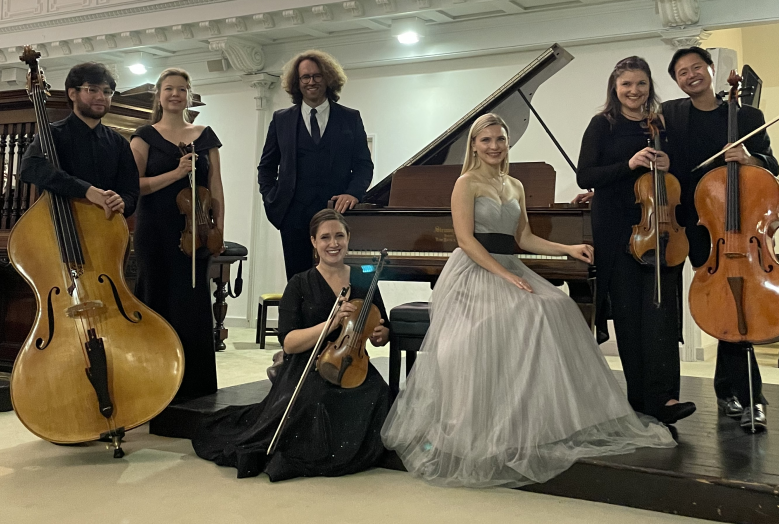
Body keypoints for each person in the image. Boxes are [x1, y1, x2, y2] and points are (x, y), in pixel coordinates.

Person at [380, 113, 676, 488]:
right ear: (474, 146)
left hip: (509, 265)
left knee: (558, 306)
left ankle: (544, 417)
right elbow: (466, 241)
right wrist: (505, 276)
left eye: (500, 139)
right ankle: (494, 421)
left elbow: (524, 238)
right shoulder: (465, 183)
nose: (494, 146)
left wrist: (567, 248)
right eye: (486, 140)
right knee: (522, 313)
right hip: (474, 271)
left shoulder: (515, 185)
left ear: (508, 143)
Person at [193, 209, 391, 481]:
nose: (333, 243)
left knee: (378, 393)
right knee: (316, 399)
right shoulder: (299, 283)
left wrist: (381, 334)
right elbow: (288, 343)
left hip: (353, 363)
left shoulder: (363, 279)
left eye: (339, 236)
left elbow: (380, 327)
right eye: (325, 237)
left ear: (348, 238)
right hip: (307, 364)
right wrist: (331, 323)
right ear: (313, 242)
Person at [662, 47, 779, 430]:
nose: (690, 75)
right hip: (703, 226)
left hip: (745, 230)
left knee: (735, 307)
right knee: (726, 305)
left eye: (696, 67)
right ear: (677, 80)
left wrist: (750, 159)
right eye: (682, 72)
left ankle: (748, 397)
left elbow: (772, 165)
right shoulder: (673, 116)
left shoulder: (747, 116)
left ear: (712, 69)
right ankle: (730, 391)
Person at [576, 56, 695, 425]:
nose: (634, 90)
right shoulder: (603, 125)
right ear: (615, 88)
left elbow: (682, 173)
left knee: (662, 317)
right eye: (626, 84)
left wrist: (668, 164)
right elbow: (585, 176)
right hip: (617, 233)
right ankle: (639, 400)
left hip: (661, 231)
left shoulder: (659, 124)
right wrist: (628, 165)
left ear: (649, 86)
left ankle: (666, 398)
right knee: (629, 318)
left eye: (641, 83)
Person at [129, 68, 224, 399]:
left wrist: (218, 227)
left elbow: (215, 186)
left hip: (197, 231)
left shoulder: (205, 136)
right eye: (169, 89)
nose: (175, 94)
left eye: (181, 89)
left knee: (193, 304)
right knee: (156, 300)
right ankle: (154, 385)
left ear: (188, 95)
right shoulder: (144, 136)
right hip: (155, 230)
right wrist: (176, 173)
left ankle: (196, 387)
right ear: (159, 95)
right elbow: (134, 185)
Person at [258, 49, 374, 279]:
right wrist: (272, 201)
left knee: (338, 280)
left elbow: (363, 165)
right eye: (305, 77)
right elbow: (266, 167)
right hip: (293, 216)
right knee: (299, 281)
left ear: (328, 78)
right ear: (297, 82)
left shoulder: (350, 118)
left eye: (317, 76)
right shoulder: (281, 120)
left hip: (337, 214)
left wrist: (353, 193)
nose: (311, 81)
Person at [20, 62, 138, 220]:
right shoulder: (53, 134)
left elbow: (131, 191)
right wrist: (86, 190)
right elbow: (30, 167)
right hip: (57, 224)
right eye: (92, 89)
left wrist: (122, 202)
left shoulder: (119, 143)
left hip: (106, 227)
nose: (101, 97)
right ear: (72, 94)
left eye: (107, 91)